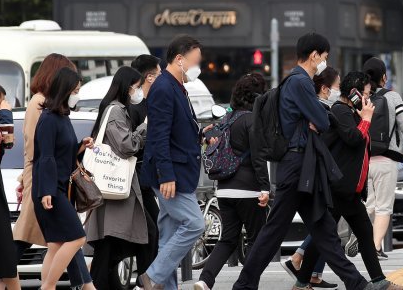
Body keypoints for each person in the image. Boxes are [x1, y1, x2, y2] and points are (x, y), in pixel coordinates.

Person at [232, 33, 389, 290]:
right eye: (324, 57)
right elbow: (324, 120)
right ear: (314, 54)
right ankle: (244, 285)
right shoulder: (301, 81)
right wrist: (315, 119)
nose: (323, 63)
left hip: (301, 164)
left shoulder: (294, 81)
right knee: (276, 231)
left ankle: (357, 283)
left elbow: (318, 121)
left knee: (324, 229)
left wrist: (314, 120)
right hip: (297, 165)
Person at [294, 71, 403, 290]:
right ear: (354, 93)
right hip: (339, 188)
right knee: (327, 236)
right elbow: (353, 138)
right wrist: (365, 119)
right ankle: (302, 280)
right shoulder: (340, 111)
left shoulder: (350, 112)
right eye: (366, 93)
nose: (369, 98)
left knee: (356, 233)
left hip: (349, 189)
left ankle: (377, 280)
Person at [13, 53, 95, 290]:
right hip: (50, 190)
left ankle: (50, 287)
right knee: (77, 237)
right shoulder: (48, 117)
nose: (77, 95)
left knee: (57, 243)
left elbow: (62, 154)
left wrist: (80, 146)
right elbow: (44, 156)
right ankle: (47, 286)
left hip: (58, 187)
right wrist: (47, 190)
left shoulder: (61, 117)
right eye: (76, 90)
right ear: (65, 89)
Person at [138, 35, 205, 290]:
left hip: (176, 172)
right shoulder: (165, 88)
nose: (198, 67)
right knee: (195, 223)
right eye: (195, 61)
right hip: (171, 176)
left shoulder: (175, 86)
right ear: (179, 59)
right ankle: (152, 276)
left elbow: (175, 129)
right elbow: (158, 136)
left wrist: (200, 134)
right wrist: (166, 175)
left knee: (167, 234)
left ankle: (164, 285)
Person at [194, 73, 271, 290]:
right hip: (249, 191)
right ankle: (246, 284)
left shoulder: (226, 120)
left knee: (227, 239)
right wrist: (264, 187)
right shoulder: (251, 120)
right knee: (257, 240)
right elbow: (258, 157)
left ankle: (205, 280)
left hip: (225, 190)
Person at [85, 66, 149, 289]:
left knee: (111, 243)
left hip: (113, 187)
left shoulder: (116, 109)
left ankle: (97, 284)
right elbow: (126, 145)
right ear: (127, 86)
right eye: (137, 86)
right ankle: (147, 281)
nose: (138, 91)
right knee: (115, 241)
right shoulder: (116, 111)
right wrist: (144, 129)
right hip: (115, 187)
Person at [361, 57, 403, 260]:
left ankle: (358, 235)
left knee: (369, 204)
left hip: (364, 160)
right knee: (384, 207)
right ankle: (374, 247)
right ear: (384, 77)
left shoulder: (361, 98)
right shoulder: (392, 97)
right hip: (387, 160)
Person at [284, 66, 340, 289]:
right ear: (325, 88)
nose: (338, 89)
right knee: (326, 226)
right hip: (317, 175)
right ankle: (300, 261)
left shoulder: (321, 108)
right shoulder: (319, 109)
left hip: (318, 173)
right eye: (337, 85)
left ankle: (311, 272)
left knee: (326, 224)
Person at [129, 54, 162, 284]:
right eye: (159, 74)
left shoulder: (151, 102)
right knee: (150, 232)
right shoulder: (136, 107)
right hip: (135, 178)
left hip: (146, 178)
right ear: (150, 77)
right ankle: (147, 279)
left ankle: (149, 278)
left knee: (153, 230)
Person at [0, 84, 21, 290]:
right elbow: (9, 141)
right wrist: (5, 114)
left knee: (6, 260)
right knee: (6, 257)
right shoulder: (2, 117)